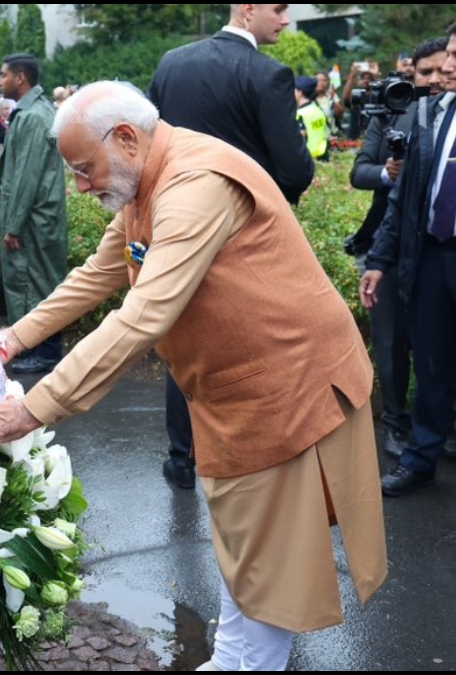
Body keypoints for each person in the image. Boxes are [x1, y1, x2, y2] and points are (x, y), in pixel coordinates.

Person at [0, 81, 387, 672]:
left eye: (84, 169)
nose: (80, 187)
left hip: (287, 390)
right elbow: (99, 273)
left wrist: (31, 409)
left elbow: (142, 316)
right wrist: (8, 340)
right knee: (249, 548)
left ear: (126, 139)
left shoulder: (194, 185)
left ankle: (246, 665)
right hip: (241, 394)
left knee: (268, 563)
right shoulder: (146, 180)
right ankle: (230, 659)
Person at [147, 2, 316, 490]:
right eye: (280, 9)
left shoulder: (172, 62)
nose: (286, 20)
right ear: (247, 10)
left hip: (175, 228)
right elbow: (297, 169)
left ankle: (183, 459)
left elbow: (154, 145)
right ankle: (250, 457)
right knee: (252, 342)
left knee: (184, 341)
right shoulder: (269, 75)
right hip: (246, 236)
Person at [360, 13, 456, 497]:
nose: (444, 66)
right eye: (447, 55)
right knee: (432, 364)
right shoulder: (432, 115)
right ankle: (421, 458)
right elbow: (403, 199)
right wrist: (379, 261)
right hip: (433, 260)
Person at [348, 36, 450, 459]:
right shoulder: (395, 113)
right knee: (390, 342)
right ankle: (393, 422)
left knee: (443, 342)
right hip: (387, 243)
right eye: (422, 73)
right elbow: (360, 172)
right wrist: (391, 174)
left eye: (439, 70)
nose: (433, 80)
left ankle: (440, 425)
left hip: (442, 251)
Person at [0, 53, 68, 375]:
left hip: (34, 220)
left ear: (20, 77)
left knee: (38, 283)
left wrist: (13, 225)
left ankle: (48, 353)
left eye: (3, 75)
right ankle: (38, 349)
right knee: (35, 281)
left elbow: (27, 176)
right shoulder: (32, 112)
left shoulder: (33, 116)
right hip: (36, 218)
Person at [295, 75, 331, 161]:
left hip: (309, 158)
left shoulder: (300, 114)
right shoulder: (318, 109)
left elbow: (299, 138)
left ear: (300, 93)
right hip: (323, 155)